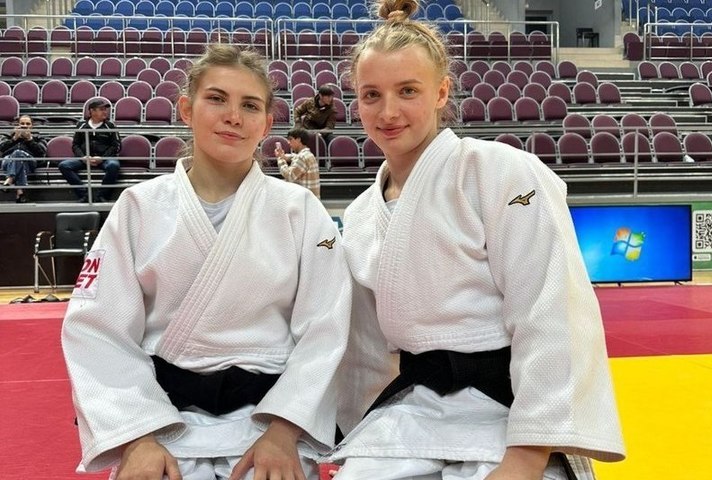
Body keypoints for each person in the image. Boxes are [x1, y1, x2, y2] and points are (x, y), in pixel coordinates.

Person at [328, 1, 626, 479]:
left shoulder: (500, 171)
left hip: (510, 414)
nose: (388, 111)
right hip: (410, 413)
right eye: (371, 95)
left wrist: (527, 455)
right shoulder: (362, 214)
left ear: (442, 92)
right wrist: (357, 428)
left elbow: (551, 307)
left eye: (408, 91)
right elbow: (364, 351)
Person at [61, 44, 351, 480]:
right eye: (216, 99)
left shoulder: (300, 210)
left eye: (249, 105)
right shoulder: (139, 206)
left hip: (269, 423)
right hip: (161, 424)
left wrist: (285, 430)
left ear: (266, 123)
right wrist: (138, 437)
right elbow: (96, 329)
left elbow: (327, 330)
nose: (233, 116)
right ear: (186, 109)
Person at [58, 99, 121, 203]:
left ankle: (101, 196)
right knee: (64, 165)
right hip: (85, 158)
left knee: (113, 165)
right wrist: (83, 157)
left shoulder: (110, 126)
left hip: (105, 158)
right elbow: (75, 145)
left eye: (105, 109)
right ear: (92, 111)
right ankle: (84, 195)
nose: (105, 112)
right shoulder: (81, 125)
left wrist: (102, 158)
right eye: (102, 109)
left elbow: (117, 146)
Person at [0, 115, 47, 203]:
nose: (25, 126)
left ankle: (10, 178)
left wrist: (30, 140)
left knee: (18, 153)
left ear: (32, 126)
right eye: (22, 124)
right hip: (8, 160)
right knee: (18, 155)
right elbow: (1, 148)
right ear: (17, 125)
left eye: (27, 124)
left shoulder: (38, 137)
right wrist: (14, 139)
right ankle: (20, 192)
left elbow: (42, 153)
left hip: (30, 161)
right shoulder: (8, 135)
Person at [274, 127, 321, 199]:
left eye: (290, 139)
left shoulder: (301, 157)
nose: (288, 142)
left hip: (305, 201)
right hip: (311, 200)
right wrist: (284, 156)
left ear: (298, 139)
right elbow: (294, 156)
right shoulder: (308, 154)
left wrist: (280, 158)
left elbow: (289, 176)